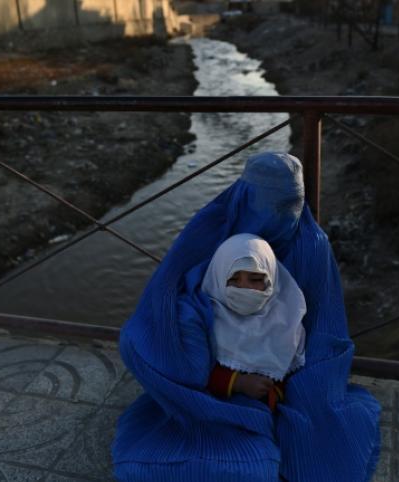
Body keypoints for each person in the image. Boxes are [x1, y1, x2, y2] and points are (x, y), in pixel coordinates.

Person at [114, 152, 380, 482]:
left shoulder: (311, 246)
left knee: (318, 442)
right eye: (266, 203)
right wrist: (223, 375)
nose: (277, 217)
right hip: (212, 354)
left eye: (287, 205)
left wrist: (289, 381)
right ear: (244, 195)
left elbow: (325, 327)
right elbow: (170, 290)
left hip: (287, 366)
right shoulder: (214, 227)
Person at [202, 233, 307, 413]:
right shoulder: (205, 317)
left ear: (271, 279)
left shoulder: (287, 320)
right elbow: (192, 367)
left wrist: (274, 392)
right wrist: (237, 382)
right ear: (218, 279)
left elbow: (288, 372)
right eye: (233, 279)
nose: (244, 288)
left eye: (256, 279)